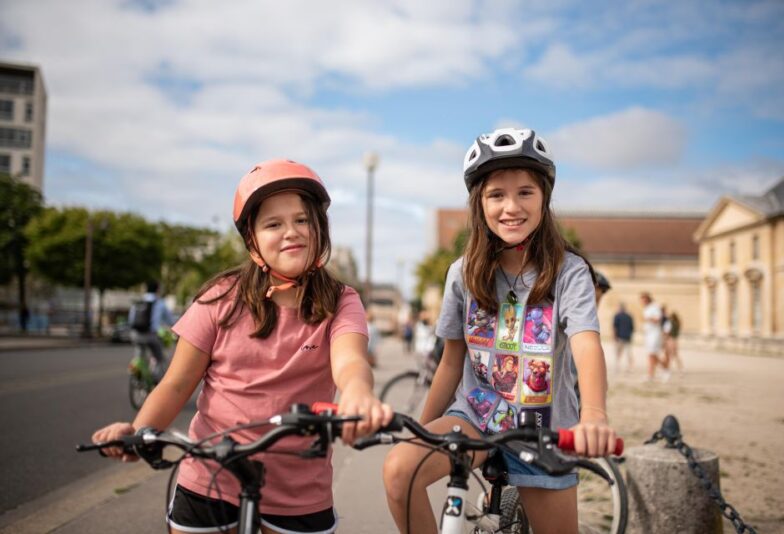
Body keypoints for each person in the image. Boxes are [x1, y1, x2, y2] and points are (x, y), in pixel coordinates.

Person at [93, 159, 393, 534]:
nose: (291, 232)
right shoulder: (221, 298)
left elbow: (349, 361)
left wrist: (359, 394)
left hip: (299, 491)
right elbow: (175, 384)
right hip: (210, 476)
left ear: (320, 227)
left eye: (302, 220)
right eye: (273, 224)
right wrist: (138, 430)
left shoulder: (341, 300)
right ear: (252, 239)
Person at [383, 127, 617, 534]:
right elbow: (451, 363)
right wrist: (422, 429)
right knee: (400, 471)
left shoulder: (569, 271)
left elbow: (586, 346)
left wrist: (593, 415)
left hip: (543, 431)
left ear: (544, 197)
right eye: (497, 195)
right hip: (474, 419)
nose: (511, 206)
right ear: (480, 203)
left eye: (525, 192)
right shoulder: (462, 273)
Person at [128, 280, 176, 381]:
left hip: (136, 335)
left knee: (139, 356)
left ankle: (138, 374)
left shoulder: (139, 301)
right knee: (160, 359)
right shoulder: (160, 303)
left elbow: (131, 320)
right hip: (151, 335)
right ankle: (155, 379)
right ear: (157, 290)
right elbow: (170, 320)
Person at [641, 292, 667, 382]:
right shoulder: (646, 309)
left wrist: (649, 319)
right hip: (648, 334)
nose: (642, 302)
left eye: (643, 300)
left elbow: (658, 319)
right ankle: (651, 374)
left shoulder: (655, 307)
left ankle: (664, 368)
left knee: (652, 354)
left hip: (654, 334)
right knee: (650, 354)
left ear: (647, 299)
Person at [612, 303, 634, 373]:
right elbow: (632, 328)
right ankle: (630, 368)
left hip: (620, 337)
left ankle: (617, 367)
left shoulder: (617, 316)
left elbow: (615, 327)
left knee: (618, 353)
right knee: (628, 353)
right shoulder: (629, 316)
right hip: (628, 337)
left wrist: (614, 336)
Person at [663, 309, 683, 374]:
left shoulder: (669, 323)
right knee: (675, 355)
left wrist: (664, 340)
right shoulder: (677, 323)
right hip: (675, 340)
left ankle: (667, 368)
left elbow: (667, 332)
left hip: (670, 340)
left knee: (668, 355)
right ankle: (680, 368)